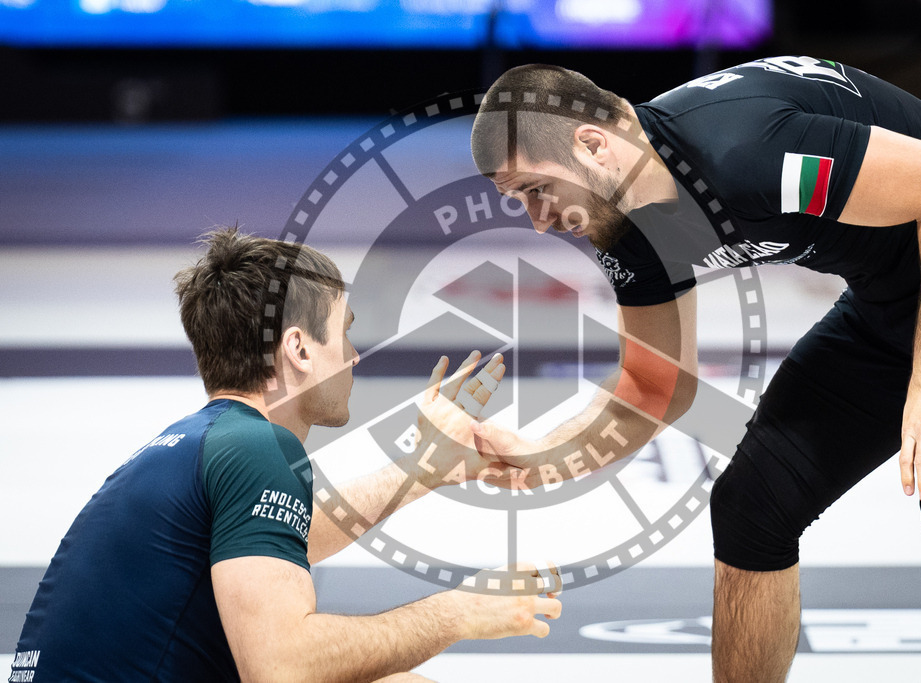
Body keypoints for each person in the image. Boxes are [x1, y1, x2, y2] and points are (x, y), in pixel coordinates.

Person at [468, 56, 921, 681]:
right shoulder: (627, 227)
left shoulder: (746, 154)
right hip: (890, 300)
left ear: (592, 143)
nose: (539, 221)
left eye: (536, 190)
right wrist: (543, 456)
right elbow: (655, 387)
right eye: (519, 201)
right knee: (752, 504)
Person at [9, 227, 561, 682]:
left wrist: (424, 469)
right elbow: (282, 667)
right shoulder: (257, 447)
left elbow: (291, 536)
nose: (354, 356)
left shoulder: (199, 442)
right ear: (298, 348)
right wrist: (459, 612)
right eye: (343, 334)